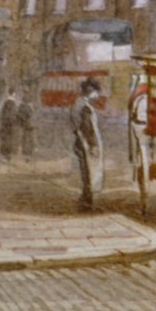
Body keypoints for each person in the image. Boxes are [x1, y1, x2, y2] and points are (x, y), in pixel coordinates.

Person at [71, 76, 104, 211]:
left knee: (86, 172)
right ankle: (87, 202)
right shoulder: (85, 107)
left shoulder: (77, 103)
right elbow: (87, 128)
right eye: (97, 91)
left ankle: (85, 200)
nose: (98, 95)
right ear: (91, 91)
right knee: (90, 172)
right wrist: (93, 145)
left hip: (79, 141)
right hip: (86, 144)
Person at [0, 88, 20, 161]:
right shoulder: (12, 103)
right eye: (14, 93)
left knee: (6, 138)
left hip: (6, 123)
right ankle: (7, 153)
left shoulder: (6, 103)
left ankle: (5, 152)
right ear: (13, 94)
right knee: (9, 138)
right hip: (10, 123)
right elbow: (14, 114)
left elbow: (2, 113)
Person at [17, 93, 36, 161]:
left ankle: (27, 153)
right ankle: (28, 153)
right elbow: (30, 115)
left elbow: (20, 115)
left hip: (27, 125)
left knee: (26, 138)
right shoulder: (28, 106)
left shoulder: (24, 106)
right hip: (29, 125)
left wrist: (22, 120)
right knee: (28, 138)